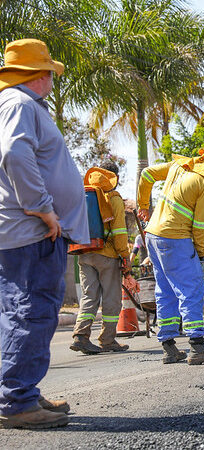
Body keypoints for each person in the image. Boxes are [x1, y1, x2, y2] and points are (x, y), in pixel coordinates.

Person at [0, 39, 89, 429]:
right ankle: (17, 401)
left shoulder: (16, 104)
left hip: (25, 232)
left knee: (20, 312)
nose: (53, 78)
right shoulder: (20, 104)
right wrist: (43, 208)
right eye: (51, 72)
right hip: (33, 231)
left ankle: (22, 390)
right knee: (31, 312)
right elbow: (14, 154)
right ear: (40, 74)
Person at [137, 142, 204, 365]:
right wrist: (203, 257)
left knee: (165, 291)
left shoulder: (181, 165)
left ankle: (169, 347)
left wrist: (143, 205)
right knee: (191, 289)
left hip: (153, 237)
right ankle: (197, 345)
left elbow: (147, 174)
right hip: (175, 238)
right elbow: (201, 227)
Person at [70, 163, 131, 354]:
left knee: (89, 296)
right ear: (114, 178)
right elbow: (119, 233)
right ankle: (107, 339)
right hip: (107, 256)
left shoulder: (82, 196)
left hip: (83, 253)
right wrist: (125, 256)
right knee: (112, 298)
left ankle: (81, 336)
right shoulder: (113, 198)